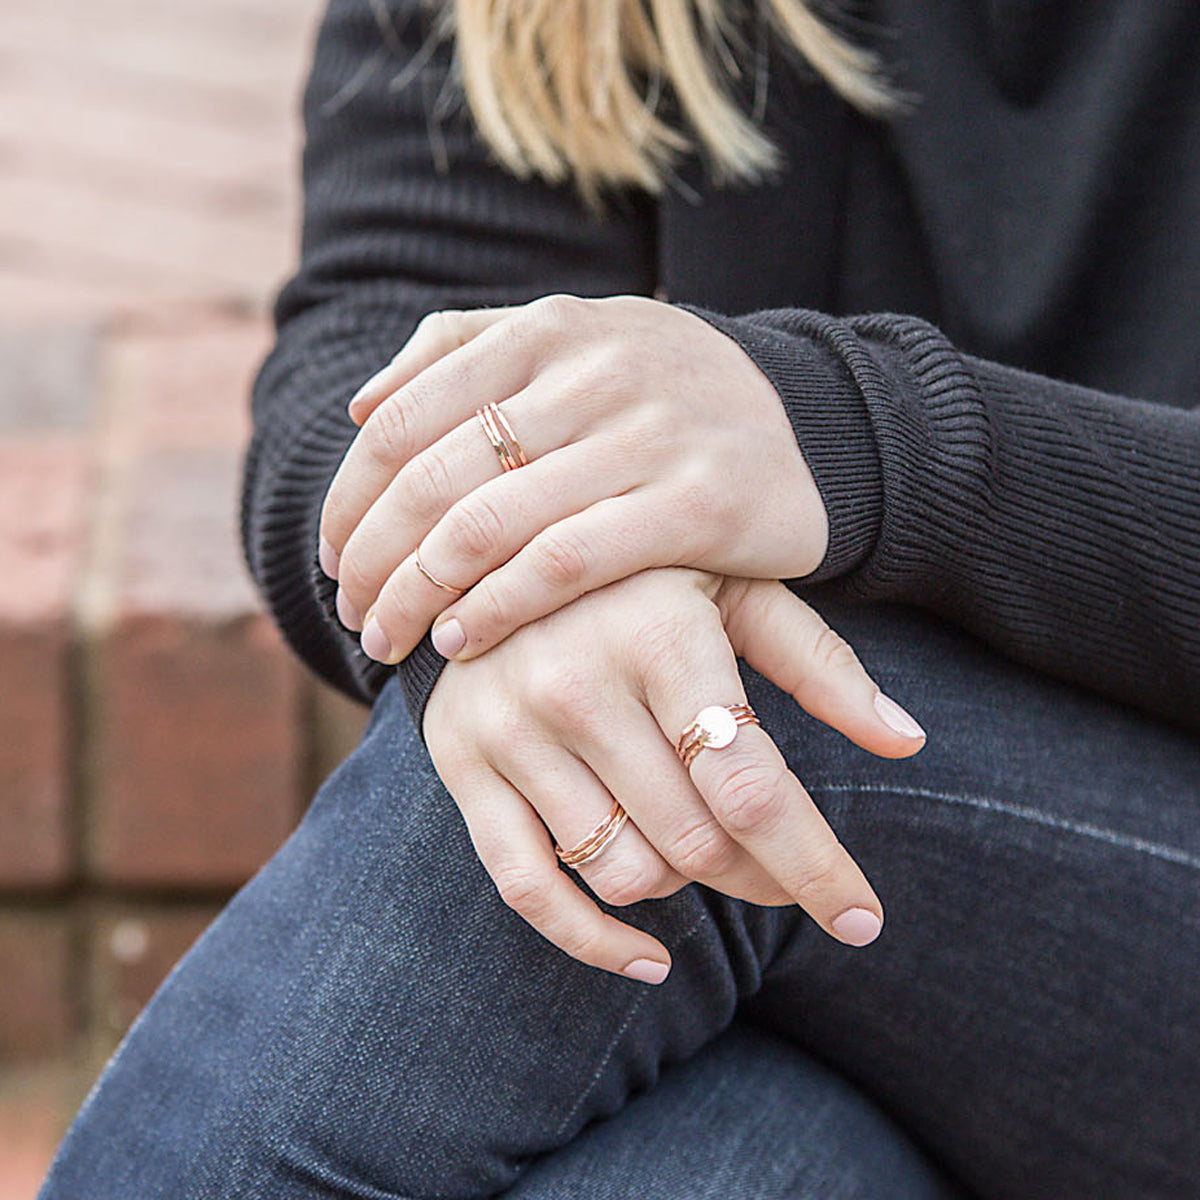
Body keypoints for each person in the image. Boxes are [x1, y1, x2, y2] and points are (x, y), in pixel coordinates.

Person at [39, 0, 1200, 1195]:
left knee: (715, 731)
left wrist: (857, 437)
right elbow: (389, 326)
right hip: (859, 1009)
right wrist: (516, 585)